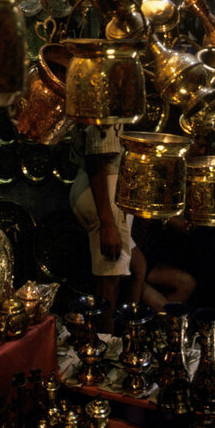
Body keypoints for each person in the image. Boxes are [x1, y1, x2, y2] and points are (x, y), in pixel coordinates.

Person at [69, 125, 146, 330]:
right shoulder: (107, 96)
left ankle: (128, 335)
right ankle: (105, 346)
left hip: (103, 187)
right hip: (106, 193)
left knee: (138, 267)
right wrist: (107, 223)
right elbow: (96, 158)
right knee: (108, 282)